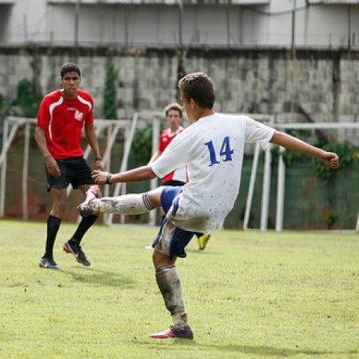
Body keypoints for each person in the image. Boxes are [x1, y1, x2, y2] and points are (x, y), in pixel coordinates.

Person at [79, 72, 339, 339]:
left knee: (160, 257)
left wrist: (111, 177)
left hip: (193, 205)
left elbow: (152, 170)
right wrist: (321, 153)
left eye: (183, 102)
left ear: (191, 103)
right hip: (219, 210)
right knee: (159, 196)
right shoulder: (239, 123)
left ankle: (179, 325)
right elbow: (279, 136)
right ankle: (96, 206)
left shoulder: (190, 135)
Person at [35, 63, 103, 270]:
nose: (71, 82)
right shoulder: (50, 101)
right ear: (61, 80)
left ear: (80, 80)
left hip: (76, 159)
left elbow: (90, 129)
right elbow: (38, 131)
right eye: (67, 79)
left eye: (75, 79)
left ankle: (73, 243)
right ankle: (47, 256)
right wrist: (48, 157)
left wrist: (98, 157)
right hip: (56, 159)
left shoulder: (86, 101)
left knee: (96, 200)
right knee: (61, 204)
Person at [149, 103, 211, 250]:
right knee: (175, 208)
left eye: (176, 116)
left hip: (181, 176)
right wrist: (151, 164)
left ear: (181, 118)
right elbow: (159, 151)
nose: (173, 119)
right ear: (166, 118)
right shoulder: (164, 134)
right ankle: (200, 233)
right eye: (170, 116)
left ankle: (162, 240)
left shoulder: (184, 133)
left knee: (167, 207)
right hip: (167, 175)